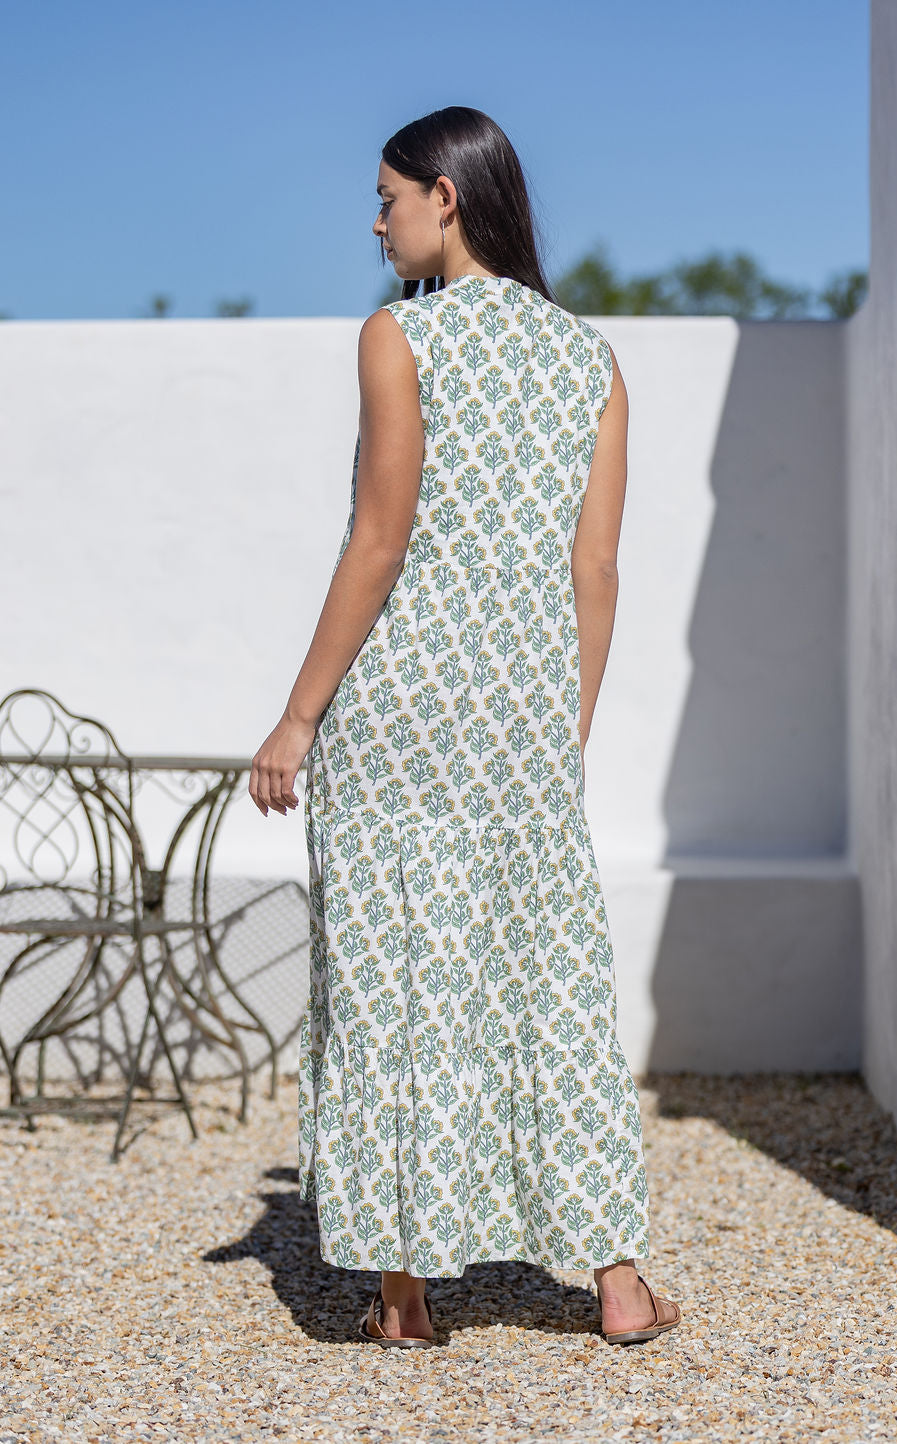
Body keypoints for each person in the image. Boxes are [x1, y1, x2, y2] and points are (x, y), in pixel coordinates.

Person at [249, 105, 680, 1349]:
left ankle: (405, 1297)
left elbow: (379, 539)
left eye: (388, 198)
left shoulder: (400, 337)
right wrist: (562, 725)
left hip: (399, 713)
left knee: (394, 975)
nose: (375, 223)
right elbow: (595, 570)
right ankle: (616, 1283)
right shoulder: (589, 359)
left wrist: (296, 716)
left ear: (446, 197)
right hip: (520, 721)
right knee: (548, 976)